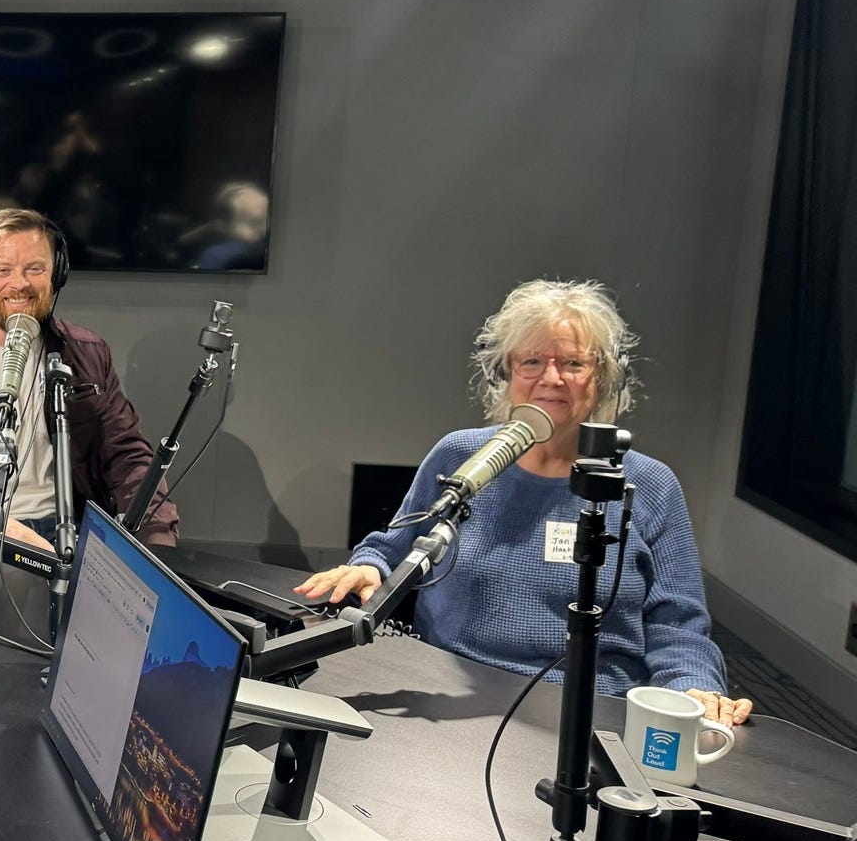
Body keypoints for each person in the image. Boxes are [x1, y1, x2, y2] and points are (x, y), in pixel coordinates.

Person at [295, 279, 751, 725]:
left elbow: (678, 624)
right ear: (506, 373)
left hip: (586, 711)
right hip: (445, 693)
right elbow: (396, 548)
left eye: (573, 363)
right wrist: (368, 567)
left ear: (604, 377)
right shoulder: (461, 456)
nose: (551, 378)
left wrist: (692, 686)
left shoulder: (649, 483)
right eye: (532, 361)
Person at [0, 208, 178, 551]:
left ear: (58, 273)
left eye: (35, 268)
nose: (19, 284)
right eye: (3, 270)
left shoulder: (89, 355)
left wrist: (156, 541)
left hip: (67, 536)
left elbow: (128, 460)